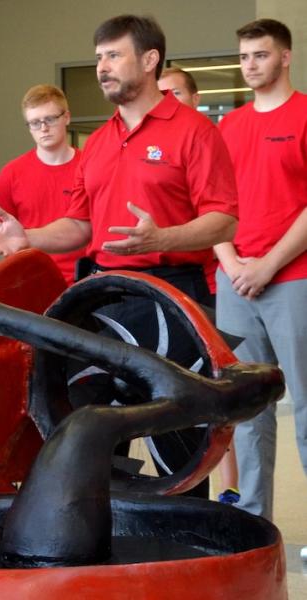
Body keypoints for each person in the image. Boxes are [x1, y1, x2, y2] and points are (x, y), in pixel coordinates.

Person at [0, 15, 238, 498]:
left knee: (177, 439)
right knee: (87, 418)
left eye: (113, 55)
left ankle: (178, 553)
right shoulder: (96, 144)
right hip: (105, 296)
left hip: (175, 297)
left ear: (150, 59)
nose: (102, 67)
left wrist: (160, 238)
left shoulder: (196, 132)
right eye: (98, 57)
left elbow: (223, 219)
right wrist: (28, 237)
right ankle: (109, 533)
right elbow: (80, 226)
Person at [214, 18, 307, 522]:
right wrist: (232, 265)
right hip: (236, 282)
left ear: (285, 57)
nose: (251, 65)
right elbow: (214, 204)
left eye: (261, 55)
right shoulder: (229, 126)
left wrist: (267, 265)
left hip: (294, 279)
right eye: (245, 56)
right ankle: (253, 521)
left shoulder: (306, 115)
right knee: (247, 410)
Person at [158, 67, 239, 505]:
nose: (167, 99)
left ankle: (227, 491)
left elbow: (223, 218)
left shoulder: (201, 139)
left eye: (175, 93)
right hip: (180, 287)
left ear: (193, 96)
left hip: (206, 289)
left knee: (211, 402)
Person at [0, 85, 84, 286]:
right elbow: (4, 235)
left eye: (50, 119)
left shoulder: (90, 166)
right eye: (34, 123)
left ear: (66, 117)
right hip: (31, 281)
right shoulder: (12, 173)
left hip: (84, 280)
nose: (43, 128)